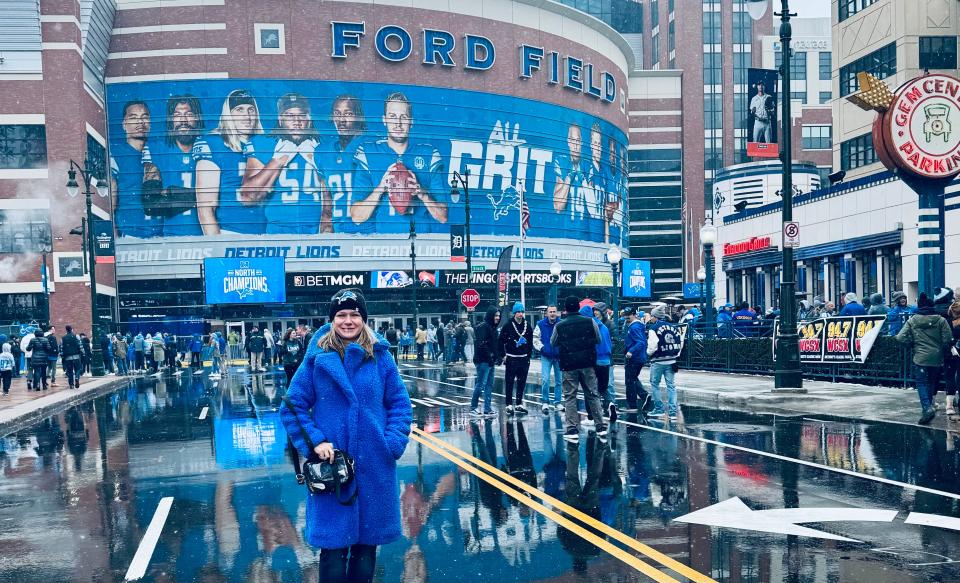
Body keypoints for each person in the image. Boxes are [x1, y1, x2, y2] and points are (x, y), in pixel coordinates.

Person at [279, 289, 412, 583]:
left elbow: (401, 404)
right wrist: (315, 442)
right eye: (342, 315)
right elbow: (292, 406)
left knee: (366, 550)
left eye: (355, 315)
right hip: (333, 470)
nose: (348, 321)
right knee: (333, 552)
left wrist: (390, 443)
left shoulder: (381, 357)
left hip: (375, 466)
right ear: (332, 319)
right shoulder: (317, 359)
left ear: (363, 319)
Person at [350, 92, 448, 231]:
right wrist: (380, 189)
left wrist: (421, 193)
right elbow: (357, 217)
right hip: (386, 245)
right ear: (384, 120)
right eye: (392, 117)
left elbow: (443, 216)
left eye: (404, 117)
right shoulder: (369, 152)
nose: (398, 123)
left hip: (421, 243)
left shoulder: (428, 154)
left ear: (411, 121)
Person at [242, 92, 332, 234]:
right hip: (277, 231)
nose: (297, 121)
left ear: (308, 119)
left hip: (315, 230)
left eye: (302, 115)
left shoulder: (323, 146)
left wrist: (318, 161)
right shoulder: (265, 144)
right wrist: (277, 160)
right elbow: (247, 198)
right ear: (280, 119)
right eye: (290, 115)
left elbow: (335, 194)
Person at [194, 89, 266, 234]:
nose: (247, 116)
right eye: (239, 109)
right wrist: (217, 245)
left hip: (265, 234)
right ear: (229, 114)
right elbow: (206, 209)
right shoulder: (213, 144)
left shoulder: (264, 144)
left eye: (251, 110)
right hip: (231, 233)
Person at [551, 295, 606, 443]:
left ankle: (572, 428)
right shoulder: (589, 321)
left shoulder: (560, 325)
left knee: (570, 396)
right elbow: (598, 339)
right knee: (592, 394)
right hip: (588, 362)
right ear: (578, 307)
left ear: (566, 309)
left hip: (569, 364)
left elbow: (553, 342)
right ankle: (600, 426)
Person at [896, 293, 953, 425]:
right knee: (931, 382)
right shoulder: (940, 320)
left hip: (920, 357)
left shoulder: (913, 320)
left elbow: (900, 337)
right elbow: (948, 339)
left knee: (921, 383)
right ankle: (929, 406)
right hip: (936, 357)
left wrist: (911, 344)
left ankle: (926, 408)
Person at [645, 306, 684, 421]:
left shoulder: (654, 328)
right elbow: (680, 343)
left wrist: (648, 353)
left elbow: (652, 346)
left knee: (655, 384)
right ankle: (672, 412)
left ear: (655, 317)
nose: (651, 318)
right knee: (671, 386)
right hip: (672, 359)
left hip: (658, 360)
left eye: (652, 316)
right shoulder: (673, 327)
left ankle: (659, 409)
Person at [583, 305, 615, 427]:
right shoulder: (604, 327)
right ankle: (611, 403)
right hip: (606, 361)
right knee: (603, 388)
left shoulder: (589, 326)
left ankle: (591, 417)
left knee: (589, 389)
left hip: (595, 360)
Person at [499, 302, 533, 415]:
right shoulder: (508, 325)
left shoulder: (527, 325)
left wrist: (528, 356)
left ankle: (519, 403)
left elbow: (530, 342)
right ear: (514, 313)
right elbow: (500, 341)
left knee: (521, 382)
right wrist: (503, 355)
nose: (520, 314)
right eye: (518, 312)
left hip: (523, 359)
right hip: (512, 358)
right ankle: (509, 404)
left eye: (522, 311)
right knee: (509, 382)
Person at [470, 307, 501, 417]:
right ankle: (473, 407)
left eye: (498, 315)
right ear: (490, 316)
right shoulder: (484, 327)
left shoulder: (493, 328)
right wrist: (490, 357)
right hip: (483, 360)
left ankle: (487, 408)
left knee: (489, 385)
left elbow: (494, 345)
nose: (497, 318)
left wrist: (497, 357)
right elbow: (482, 344)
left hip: (489, 361)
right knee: (481, 384)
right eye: (495, 315)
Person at [534, 305, 563, 414]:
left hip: (558, 357)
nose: (552, 313)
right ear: (546, 313)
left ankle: (557, 402)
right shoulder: (540, 324)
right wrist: (542, 348)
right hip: (546, 356)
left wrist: (561, 349)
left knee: (559, 380)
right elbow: (535, 338)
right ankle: (545, 401)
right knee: (545, 379)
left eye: (554, 311)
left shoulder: (561, 324)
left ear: (557, 313)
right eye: (550, 311)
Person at [622, 307, 650, 412]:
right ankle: (643, 396)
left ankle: (632, 405)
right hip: (638, 357)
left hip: (634, 357)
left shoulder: (634, 327)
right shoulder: (636, 326)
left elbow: (640, 342)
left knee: (629, 381)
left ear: (634, 314)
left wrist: (631, 351)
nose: (625, 317)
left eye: (627, 315)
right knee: (632, 379)